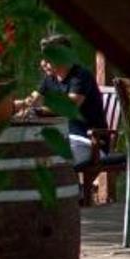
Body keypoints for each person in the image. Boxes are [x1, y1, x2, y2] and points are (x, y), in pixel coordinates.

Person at [18, 35, 107, 177]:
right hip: (67, 139)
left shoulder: (81, 76)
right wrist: (12, 106)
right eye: (43, 58)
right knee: (29, 156)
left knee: (53, 163)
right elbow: (30, 100)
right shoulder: (50, 78)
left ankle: (72, 191)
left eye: (49, 59)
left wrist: (37, 110)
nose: (43, 63)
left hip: (90, 142)